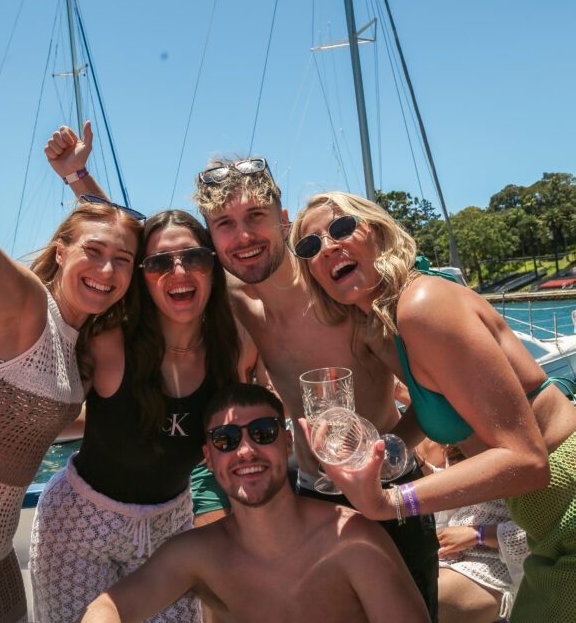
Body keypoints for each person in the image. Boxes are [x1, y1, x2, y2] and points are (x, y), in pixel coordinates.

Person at [43, 124, 440, 618]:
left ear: (284, 220)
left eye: (256, 216)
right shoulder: (237, 303)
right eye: (226, 224)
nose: (245, 235)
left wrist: (388, 459)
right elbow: (155, 251)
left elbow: (430, 398)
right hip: (307, 500)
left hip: (386, 492)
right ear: (215, 241)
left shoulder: (343, 298)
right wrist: (81, 180)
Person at [290, 190, 576, 623]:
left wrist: (387, 501)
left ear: (378, 233)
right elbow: (440, 407)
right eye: (310, 246)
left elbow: (527, 459)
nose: (328, 246)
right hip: (545, 521)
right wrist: (377, 454)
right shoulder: (393, 320)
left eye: (342, 227)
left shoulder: (424, 306)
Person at [32, 133, 264, 623]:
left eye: (194, 258)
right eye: (159, 263)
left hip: (170, 526)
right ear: (143, 276)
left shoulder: (234, 346)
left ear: (213, 267)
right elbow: (113, 239)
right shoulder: (110, 341)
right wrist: (78, 178)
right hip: (78, 525)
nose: (178, 270)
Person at [0, 144, 142, 622]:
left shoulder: (78, 345)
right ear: (61, 252)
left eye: (122, 260)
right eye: (93, 251)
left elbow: (39, 423)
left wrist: (80, 177)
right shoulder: (23, 304)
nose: (107, 269)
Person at [79, 383, 430, 623]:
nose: (245, 450)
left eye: (262, 433)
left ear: (288, 443)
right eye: (226, 439)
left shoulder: (352, 541)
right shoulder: (198, 554)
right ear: (208, 457)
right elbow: (111, 607)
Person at [416, 441, 529, 622]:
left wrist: (479, 534)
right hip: (451, 553)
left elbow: (549, 533)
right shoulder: (469, 438)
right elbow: (464, 487)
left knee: (416, 599)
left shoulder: (543, 450)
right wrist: (419, 467)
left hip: (504, 567)